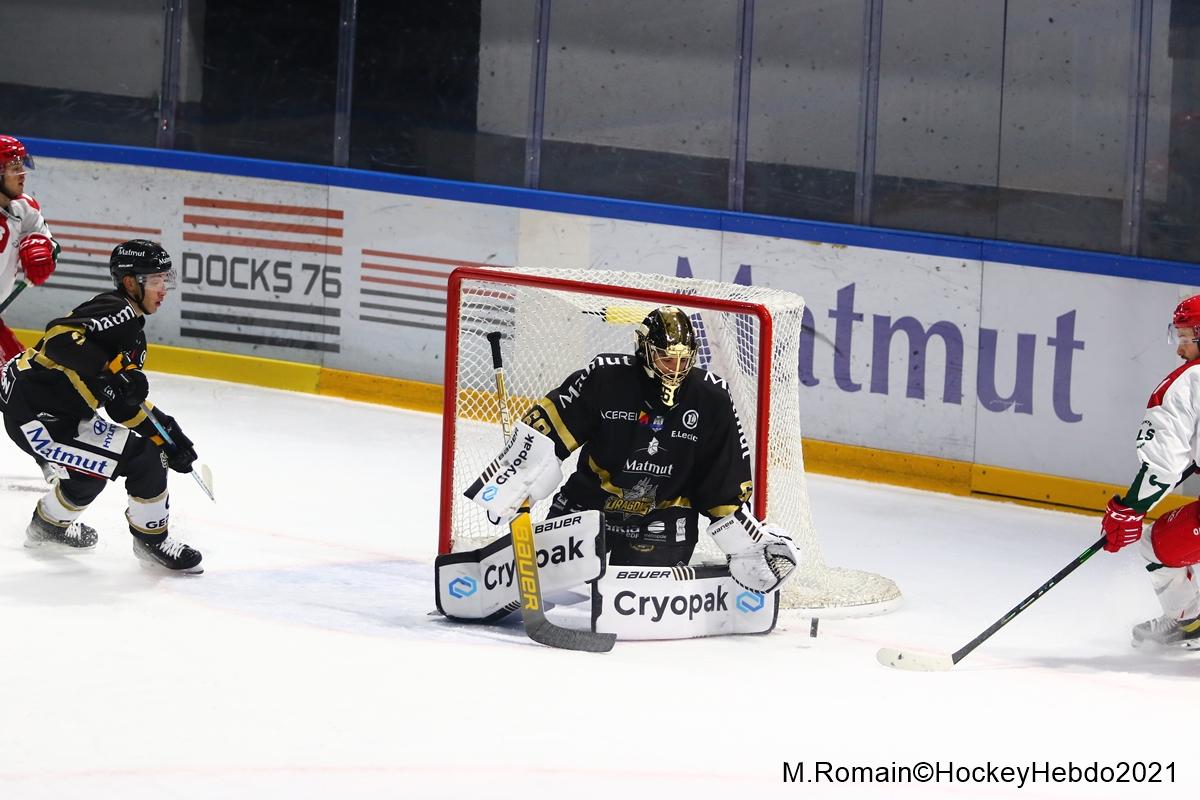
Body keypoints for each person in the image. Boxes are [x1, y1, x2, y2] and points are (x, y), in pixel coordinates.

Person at [466, 305, 798, 594]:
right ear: (645, 350)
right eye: (666, 359)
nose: (675, 370)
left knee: (643, 595)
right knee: (555, 586)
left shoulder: (712, 399)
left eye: (683, 361)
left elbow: (721, 482)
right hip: (589, 507)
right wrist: (515, 480)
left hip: (663, 520)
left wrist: (744, 540)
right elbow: (548, 433)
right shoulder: (605, 377)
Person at [0, 239, 203, 573]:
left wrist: (165, 433)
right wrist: (111, 373)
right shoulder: (117, 309)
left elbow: (123, 405)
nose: (163, 289)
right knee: (145, 458)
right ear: (130, 283)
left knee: (90, 474)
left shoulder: (132, 332)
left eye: (165, 279)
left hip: (51, 411)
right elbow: (59, 339)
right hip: (38, 414)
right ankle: (151, 542)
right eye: (156, 280)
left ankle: (48, 528)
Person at [1101, 294, 1200, 647]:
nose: (1180, 349)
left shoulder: (1187, 382)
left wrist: (1130, 509)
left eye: (1186, 337)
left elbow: (1163, 464)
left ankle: (1190, 622)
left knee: (1157, 545)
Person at [0, 135, 58, 361]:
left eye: (21, 167)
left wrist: (42, 249)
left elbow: (49, 243)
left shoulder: (23, 208)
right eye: (15, 169)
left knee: (20, 375)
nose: (23, 174)